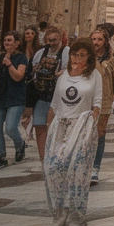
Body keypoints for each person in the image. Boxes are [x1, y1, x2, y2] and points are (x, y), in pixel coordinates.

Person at [43, 39, 101, 226]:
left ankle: (75, 215)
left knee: (76, 173)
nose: (77, 58)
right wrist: (50, 126)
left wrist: (91, 129)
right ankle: (58, 213)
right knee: (53, 168)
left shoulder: (94, 76)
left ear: (89, 57)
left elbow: (97, 105)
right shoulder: (63, 76)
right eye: (75, 55)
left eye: (82, 55)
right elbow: (54, 104)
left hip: (81, 126)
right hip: (60, 126)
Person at [0, 30, 29, 169]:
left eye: (9, 40)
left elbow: (18, 76)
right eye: (5, 40)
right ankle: (1, 157)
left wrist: (9, 64)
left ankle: (20, 144)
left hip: (15, 97)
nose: (6, 43)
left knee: (10, 128)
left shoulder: (21, 58)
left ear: (17, 43)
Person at [29, 27, 68, 161]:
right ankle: (43, 157)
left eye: (55, 40)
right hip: (41, 94)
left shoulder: (66, 52)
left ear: (61, 39)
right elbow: (33, 70)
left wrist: (62, 73)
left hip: (58, 96)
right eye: (49, 40)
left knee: (56, 127)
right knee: (39, 126)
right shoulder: (40, 53)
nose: (52, 43)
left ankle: (56, 155)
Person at [89, 27, 114, 184]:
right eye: (93, 39)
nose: (96, 42)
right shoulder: (86, 57)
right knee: (87, 133)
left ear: (105, 41)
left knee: (100, 132)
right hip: (87, 100)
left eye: (99, 39)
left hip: (105, 100)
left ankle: (95, 167)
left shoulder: (113, 60)